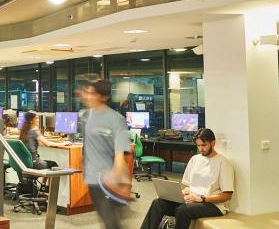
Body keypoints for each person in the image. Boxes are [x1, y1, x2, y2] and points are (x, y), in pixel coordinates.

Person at [140, 128, 234, 229]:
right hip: (192, 200)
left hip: (213, 205)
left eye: (204, 145)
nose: (201, 149)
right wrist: (184, 193)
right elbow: (189, 186)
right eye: (198, 145)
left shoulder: (223, 163)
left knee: (182, 210)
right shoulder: (195, 159)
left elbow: (227, 195)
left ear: (213, 143)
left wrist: (202, 199)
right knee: (158, 203)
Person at [81, 79, 131, 229]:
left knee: (112, 224)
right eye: (88, 93)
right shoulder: (86, 116)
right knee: (107, 221)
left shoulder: (116, 119)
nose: (89, 97)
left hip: (108, 179)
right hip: (92, 178)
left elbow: (119, 153)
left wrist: (120, 179)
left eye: (93, 94)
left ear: (104, 97)